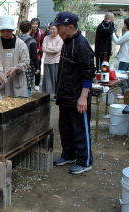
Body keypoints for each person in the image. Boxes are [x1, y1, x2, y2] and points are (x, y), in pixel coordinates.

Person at [51, 12, 96, 174]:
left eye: (59, 27)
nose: (57, 30)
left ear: (70, 27)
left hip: (78, 97)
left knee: (80, 130)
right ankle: (69, 154)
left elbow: (88, 72)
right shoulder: (67, 41)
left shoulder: (82, 45)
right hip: (65, 95)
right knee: (65, 128)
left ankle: (85, 161)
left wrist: (83, 97)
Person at [0, 16, 30, 98]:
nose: (5, 33)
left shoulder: (21, 44)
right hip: (0, 81)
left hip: (17, 79)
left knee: (17, 106)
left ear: (12, 30)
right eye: (3, 31)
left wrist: (17, 67)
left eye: (8, 30)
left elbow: (26, 61)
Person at [42, 24, 63, 98]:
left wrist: (48, 48)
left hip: (56, 61)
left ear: (57, 29)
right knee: (47, 79)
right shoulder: (46, 38)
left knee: (56, 78)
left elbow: (57, 50)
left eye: (54, 29)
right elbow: (43, 49)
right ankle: (47, 95)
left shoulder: (60, 38)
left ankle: (56, 95)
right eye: (50, 29)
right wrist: (52, 49)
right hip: (47, 61)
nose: (52, 30)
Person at [19, 20, 39, 96]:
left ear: (21, 29)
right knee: (27, 84)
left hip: (17, 65)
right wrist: (37, 67)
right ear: (30, 29)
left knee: (19, 84)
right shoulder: (32, 41)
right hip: (28, 66)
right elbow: (34, 56)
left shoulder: (16, 40)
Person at [30, 18, 46, 91]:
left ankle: (37, 84)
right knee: (29, 69)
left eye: (36, 24)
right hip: (28, 54)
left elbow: (43, 44)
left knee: (37, 69)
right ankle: (29, 83)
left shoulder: (41, 33)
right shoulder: (28, 32)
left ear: (38, 25)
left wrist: (39, 49)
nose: (34, 25)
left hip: (38, 55)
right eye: (33, 23)